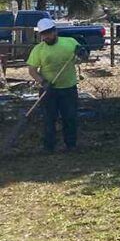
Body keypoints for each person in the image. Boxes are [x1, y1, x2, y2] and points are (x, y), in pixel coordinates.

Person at [26, 18, 87, 153]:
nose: (47, 36)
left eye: (49, 32)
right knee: (49, 120)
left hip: (68, 88)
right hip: (48, 91)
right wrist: (43, 82)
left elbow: (81, 58)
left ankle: (71, 145)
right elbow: (32, 71)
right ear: (40, 35)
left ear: (55, 31)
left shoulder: (70, 43)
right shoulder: (38, 50)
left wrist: (82, 54)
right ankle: (49, 147)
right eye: (44, 34)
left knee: (69, 118)